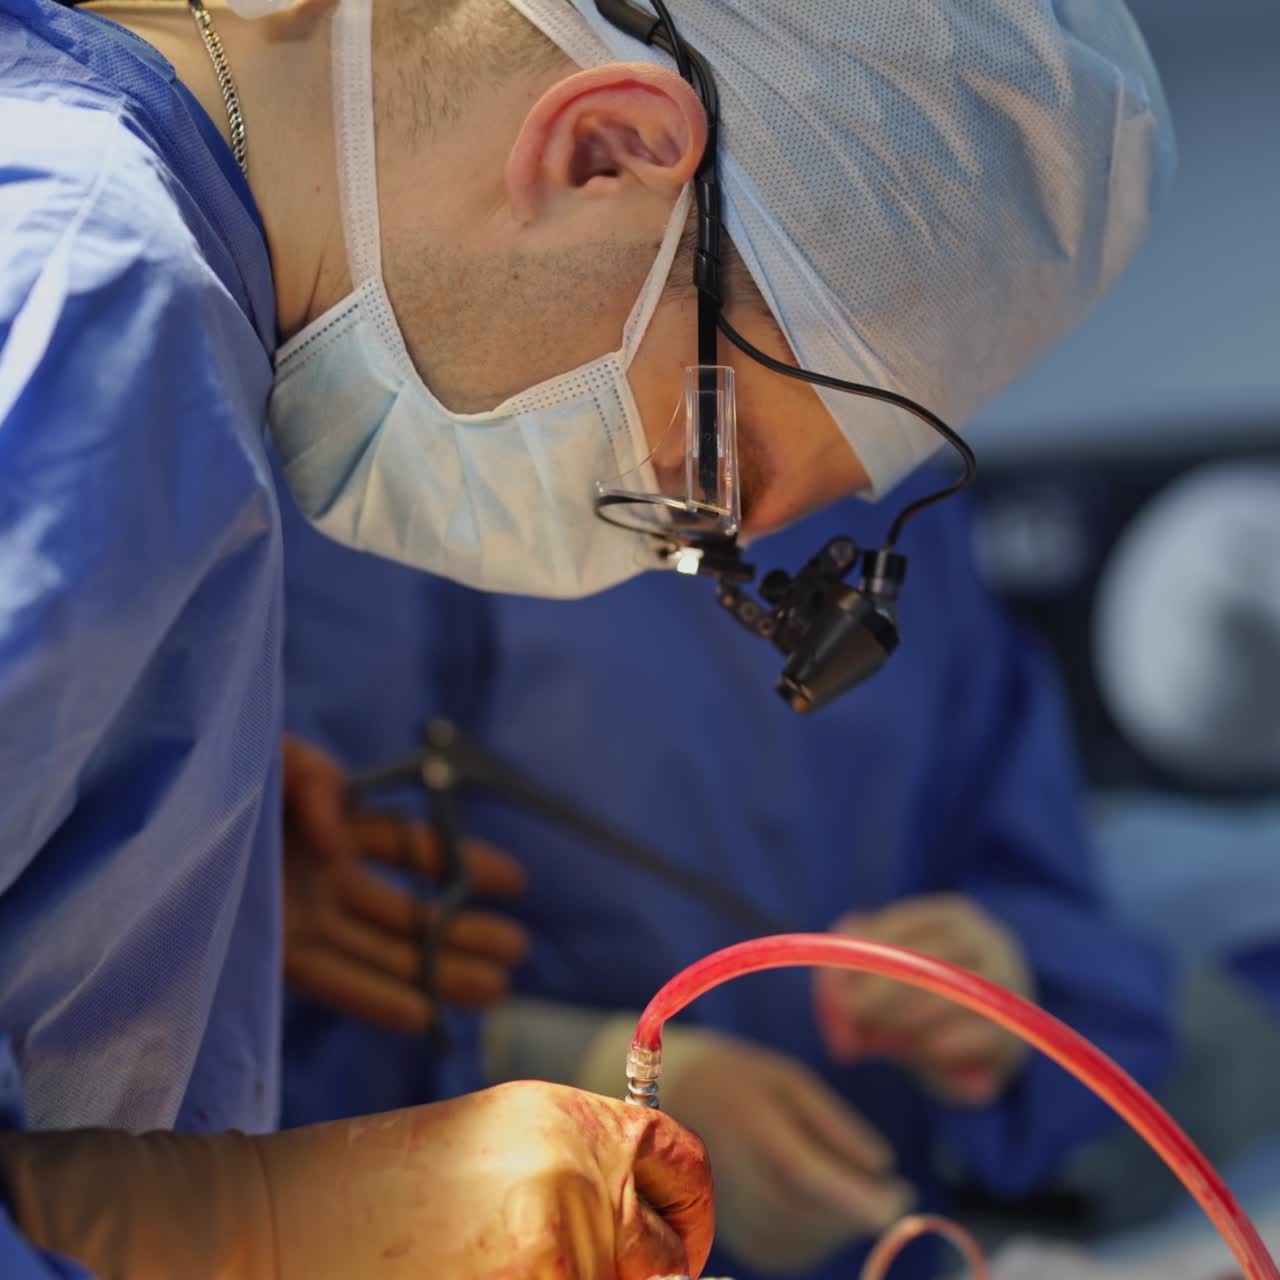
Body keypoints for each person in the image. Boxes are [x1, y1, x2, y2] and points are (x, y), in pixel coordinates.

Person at [0, 0, 1173, 1271]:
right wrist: (255, 1223)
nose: (641, 553)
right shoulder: (92, 292)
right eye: (700, 475)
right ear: (604, 146)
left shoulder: (148, 295)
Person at [277, 471, 1176, 1279]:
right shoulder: (410, 499)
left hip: (871, 1235)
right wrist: (583, 1105)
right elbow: (268, 1029)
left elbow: (1050, 895)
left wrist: (997, 985)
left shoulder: (898, 497)